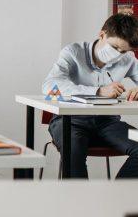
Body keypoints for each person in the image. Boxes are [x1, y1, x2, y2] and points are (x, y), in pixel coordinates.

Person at [42, 13, 138, 178]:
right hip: (69, 123)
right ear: (102, 34)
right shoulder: (73, 52)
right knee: (73, 151)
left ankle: (115, 200)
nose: (118, 54)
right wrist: (98, 91)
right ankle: (80, 203)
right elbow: (50, 87)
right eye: (115, 48)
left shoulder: (127, 59)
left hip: (109, 124)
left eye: (123, 51)